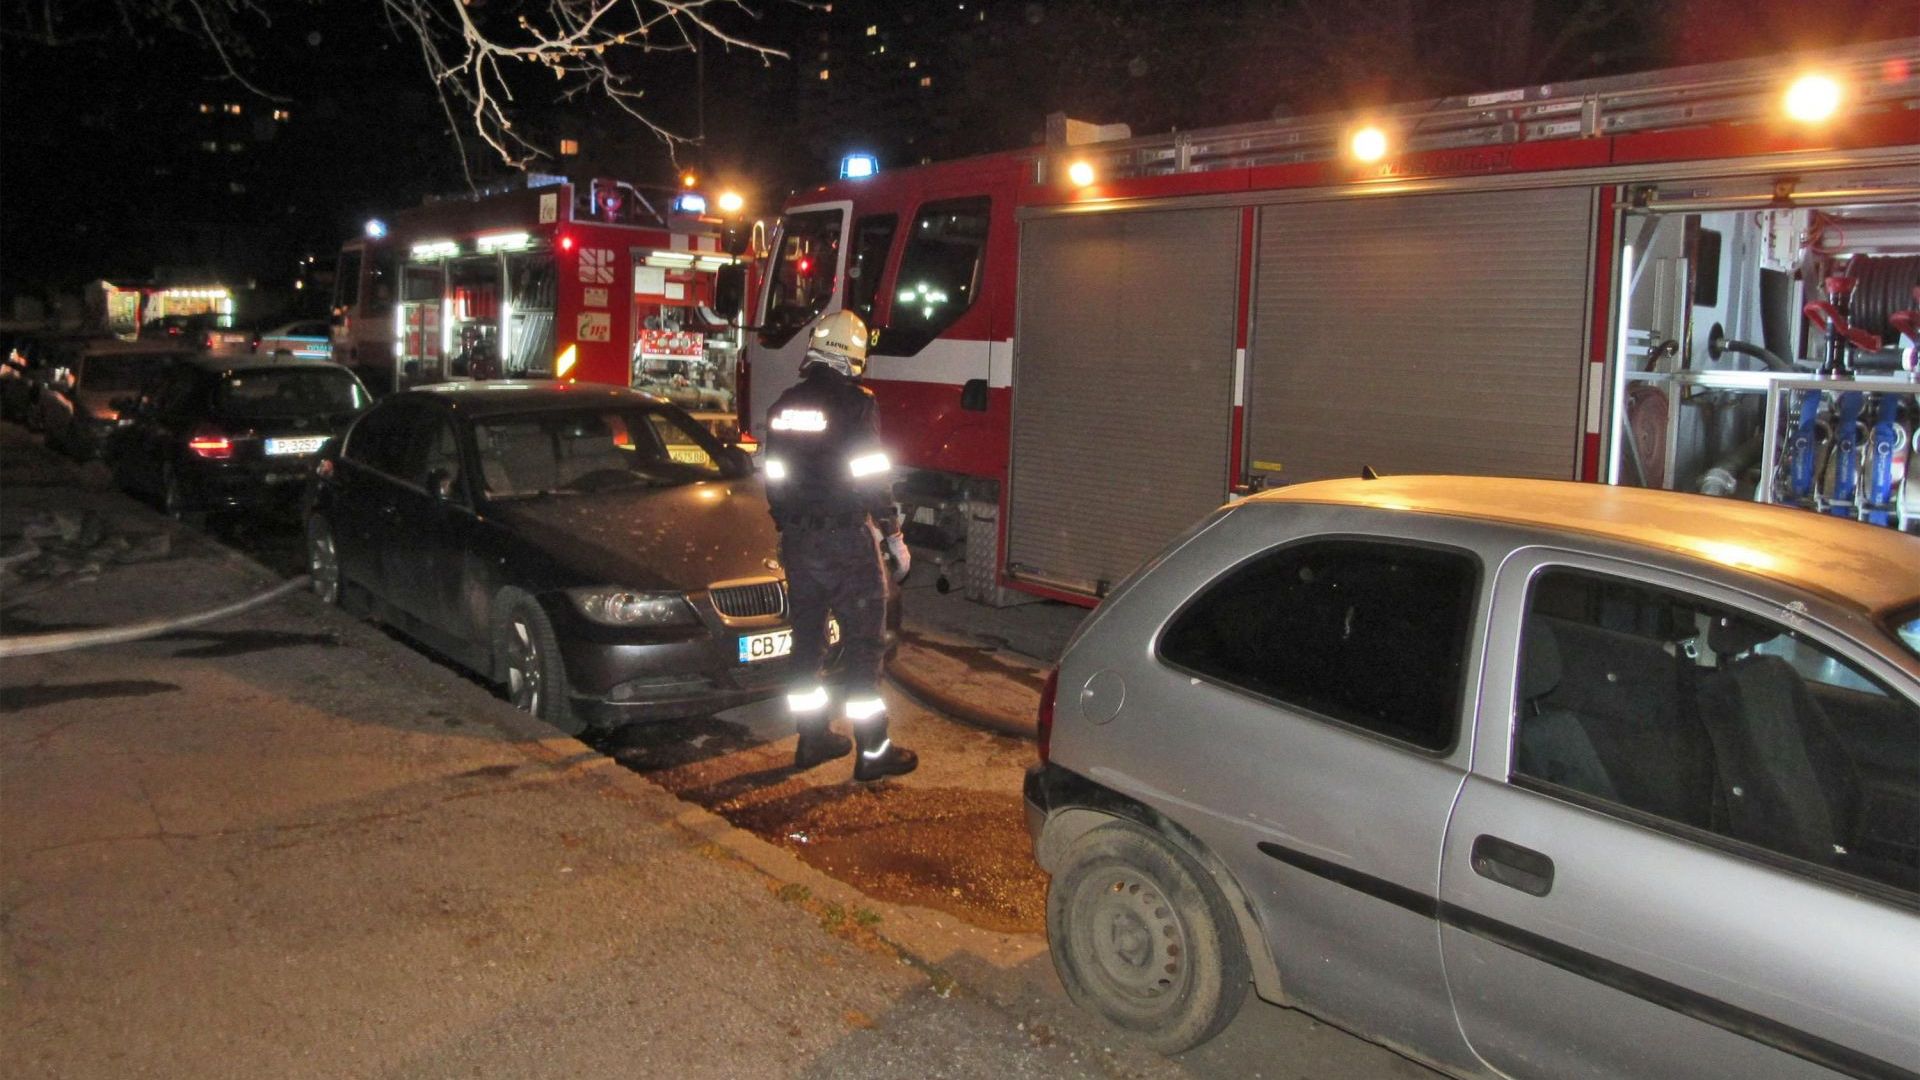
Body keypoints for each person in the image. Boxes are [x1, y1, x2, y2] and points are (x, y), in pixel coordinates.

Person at [763, 310, 917, 782]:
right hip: (845, 541)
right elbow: (869, 472)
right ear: (853, 354)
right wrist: (891, 531)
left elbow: (773, 476)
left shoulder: (784, 405)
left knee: (807, 641)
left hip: (798, 540)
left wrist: (789, 525)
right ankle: (873, 751)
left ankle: (812, 739)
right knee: (865, 645)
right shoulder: (856, 405)